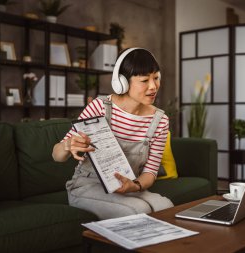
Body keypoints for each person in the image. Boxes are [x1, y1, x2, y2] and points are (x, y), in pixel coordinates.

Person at [52, 48, 174, 219]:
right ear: (122, 82)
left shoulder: (160, 120)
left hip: (128, 186)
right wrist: (67, 145)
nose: (153, 86)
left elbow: (150, 172)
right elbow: (57, 155)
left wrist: (135, 185)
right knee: (138, 211)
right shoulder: (100, 107)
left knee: (166, 207)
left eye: (156, 78)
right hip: (87, 186)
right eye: (145, 80)